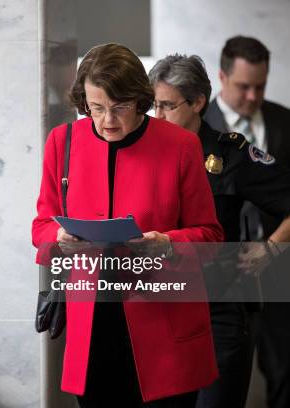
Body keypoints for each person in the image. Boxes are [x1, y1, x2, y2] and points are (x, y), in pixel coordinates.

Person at [32, 43, 224, 408]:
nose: (107, 121)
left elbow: (211, 236)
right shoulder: (63, 141)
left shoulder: (181, 146)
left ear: (139, 100)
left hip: (165, 327)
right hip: (92, 328)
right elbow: (41, 224)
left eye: (118, 108)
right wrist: (59, 238)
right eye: (96, 108)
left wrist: (167, 243)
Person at [149, 53, 290, 408]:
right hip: (163, 310)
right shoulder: (146, 153)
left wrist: (270, 248)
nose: (158, 116)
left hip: (220, 312)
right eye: (153, 106)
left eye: (167, 106)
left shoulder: (231, 155)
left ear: (197, 102)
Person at [204, 36, 290, 408]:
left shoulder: (285, 121)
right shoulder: (195, 123)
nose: (253, 96)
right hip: (219, 277)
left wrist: (273, 248)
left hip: (280, 270)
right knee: (218, 379)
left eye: (260, 85)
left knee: (286, 370)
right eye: (243, 86)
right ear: (222, 77)